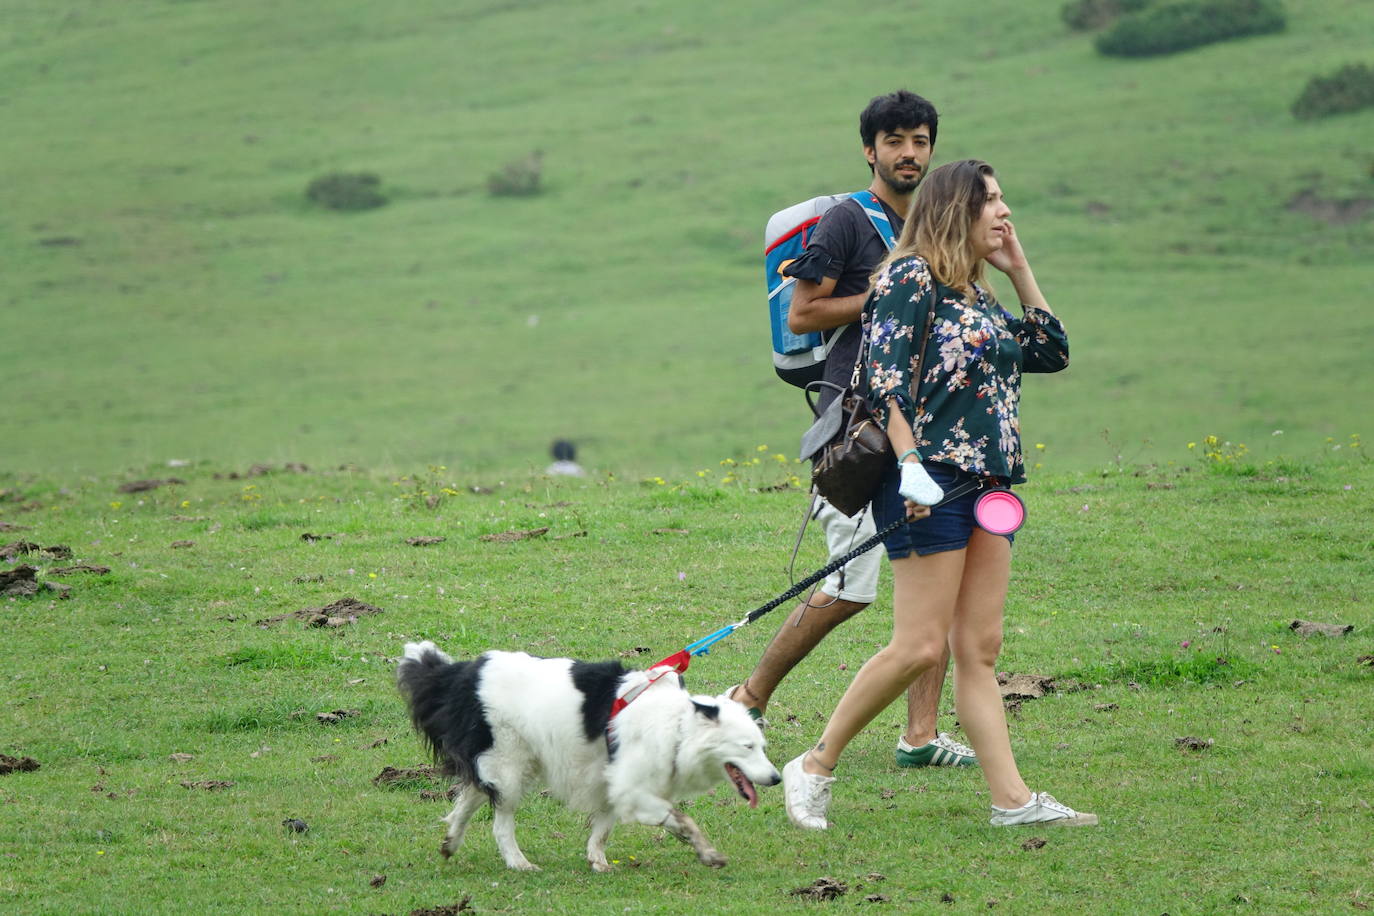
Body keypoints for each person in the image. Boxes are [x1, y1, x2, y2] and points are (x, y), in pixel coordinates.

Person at [782, 159, 1097, 829]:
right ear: (957, 209)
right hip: (926, 483)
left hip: (988, 487)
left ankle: (1011, 803)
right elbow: (882, 377)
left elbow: (1049, 350)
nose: (1005, 213)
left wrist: (1017, 270)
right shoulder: (907, 277)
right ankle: (814, 763)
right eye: (993, 203)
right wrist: (910, 464)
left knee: (979, 648)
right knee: (920, 646)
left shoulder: (976, 294)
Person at [729, 90, 977, 770]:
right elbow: (805, 312)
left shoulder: (938, 222)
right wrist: (885, 291)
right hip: (859, 425)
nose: (909, 152)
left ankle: (920, 737)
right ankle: (748, 696)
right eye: (895, 140)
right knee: (850, 587)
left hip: (927, 423)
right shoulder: (846, 222)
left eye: (920, 140)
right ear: (870, 150)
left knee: (940, 578)